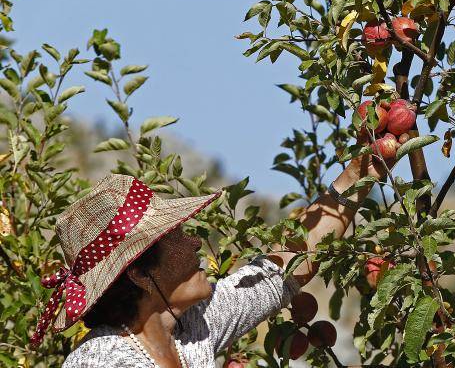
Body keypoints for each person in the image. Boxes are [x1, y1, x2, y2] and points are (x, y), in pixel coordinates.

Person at [30, 136, 398, 367]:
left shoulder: (192, 330)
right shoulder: (101, 361)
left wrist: (356, 175)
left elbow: (284, 271)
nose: (193, 242)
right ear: (140, 274)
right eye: (175, 236)